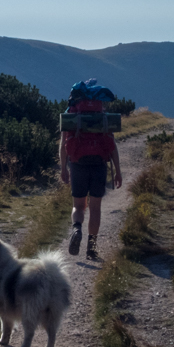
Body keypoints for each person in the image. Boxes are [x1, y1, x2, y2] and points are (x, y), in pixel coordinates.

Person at [59, 79, 122, 260]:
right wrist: (118, 170)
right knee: (95, 208)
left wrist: (64, 168)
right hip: (99, 163)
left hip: (78, 163)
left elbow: (64, 144)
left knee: (78, 205)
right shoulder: (102, 114)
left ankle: (77, 228)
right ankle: (91, 248)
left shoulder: (71, 113)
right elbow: (112, 145)